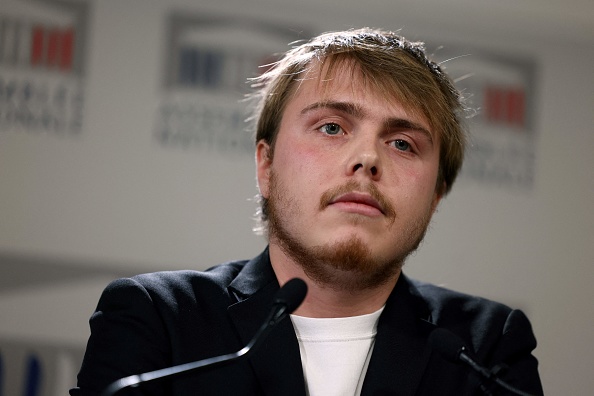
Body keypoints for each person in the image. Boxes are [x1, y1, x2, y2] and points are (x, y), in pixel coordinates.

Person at [71, 28, 543, 395]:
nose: (367, 159)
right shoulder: (159, 318)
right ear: (266, 164)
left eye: (402, 143)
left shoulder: (486, 346)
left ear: (438, 193)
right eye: (333, 127)